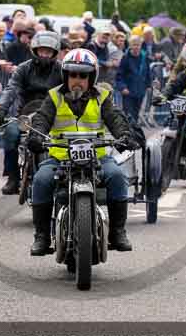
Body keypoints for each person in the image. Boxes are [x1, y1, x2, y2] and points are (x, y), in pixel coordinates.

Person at [26, 49, 140, 255]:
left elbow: (115, 118)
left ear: (92, 77)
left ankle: (117, 232)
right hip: (60, 157)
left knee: (117, 177)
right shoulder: (53, 96)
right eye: (72, 75)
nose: (77, 80)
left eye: (83, 75)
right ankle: (41, 236)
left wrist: (125, 135)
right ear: (65, 76)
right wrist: (36, 136)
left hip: (98, 156)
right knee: (41, 180)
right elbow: (42, 119)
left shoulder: (103, 97)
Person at [0, 30, 63, 195]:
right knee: (10, 134)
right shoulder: (24, 68)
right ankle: (13, 177)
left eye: (48, 51)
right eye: (42, 50)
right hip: (25, 116)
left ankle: (66, 175)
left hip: (54, 116)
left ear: (54, 52)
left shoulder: (61, 70)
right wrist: (0, 110)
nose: (44, 54)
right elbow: (11, 89)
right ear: (35, 50)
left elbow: (70, 93)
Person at [116, 35, 152, 123]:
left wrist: (149, 85)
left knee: (136, 115)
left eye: (138, 45)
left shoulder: (144, 56)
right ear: (130, 46)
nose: (136, 47)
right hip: (128, 91)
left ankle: (134, 134)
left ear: (140, 45)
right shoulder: (125, 57)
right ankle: (128, 134)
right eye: (134, 45)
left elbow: (148, 72)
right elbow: (119, 75)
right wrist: (123, 87)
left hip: (140, 91)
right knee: (129, 115)